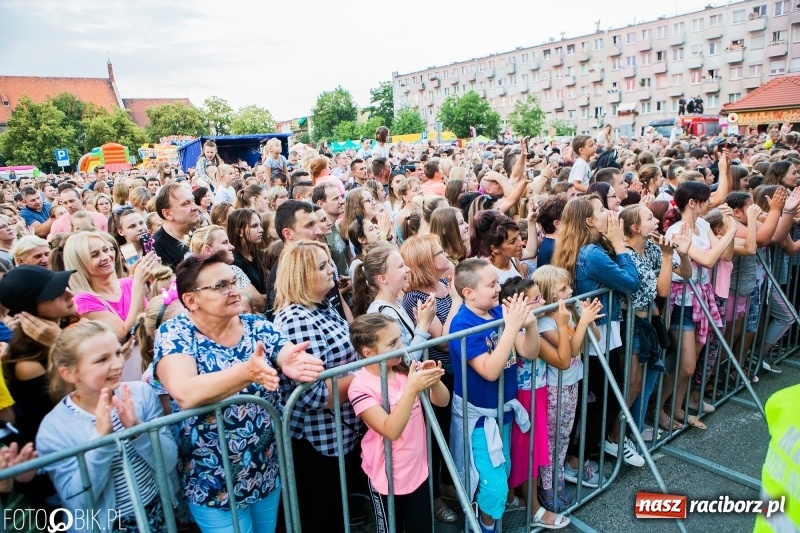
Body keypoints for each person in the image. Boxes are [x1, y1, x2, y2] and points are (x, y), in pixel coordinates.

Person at [151, 251, 321, 531]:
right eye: (220, 286)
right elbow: (185, 392)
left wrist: (293, 360)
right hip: (212, 480)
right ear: (190, 300)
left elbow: (286, 351)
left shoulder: (255, 325)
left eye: (233, 282)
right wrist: (246, 372)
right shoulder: (175, 333)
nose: (233, 291)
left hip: (264, 468)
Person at [37, 321, 178, 533]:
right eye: (102, 359)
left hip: (158, 512)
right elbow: (78, 502)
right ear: (70, 373)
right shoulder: (54, 429)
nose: (117, 364)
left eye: (118, 353)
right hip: (106, 526)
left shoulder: (140, 394)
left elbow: (168, 462)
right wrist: (101, 441)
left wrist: (139, 432)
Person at [447, 259, 556, 532]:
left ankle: (485, 522)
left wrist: (529, 326)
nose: (499, 288)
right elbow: (489, 371)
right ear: (468, 292)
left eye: (497, 282)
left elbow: (528, 352)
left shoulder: (497, 312)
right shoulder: (462, 325)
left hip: (503, 412)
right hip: (479, 420)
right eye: (492, 284)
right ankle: (482, 527)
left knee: (500, 476)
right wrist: (511, 327)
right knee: (493, 486)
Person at [271, 240, 363, 532]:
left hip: (338, 433)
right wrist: (371, 377)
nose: (331, 270)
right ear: (301, 275)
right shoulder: (296, 318)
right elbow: (315, 394)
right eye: (321, 266)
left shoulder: (321, 306)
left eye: (329, 263)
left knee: (335, 513)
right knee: (321, 518)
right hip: (317, 441)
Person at [552, 195, 643, 468]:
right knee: (606, 397)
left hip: (594, 330)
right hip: (598, 332)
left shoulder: (579, 246)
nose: (610, 212)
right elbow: (630, 282)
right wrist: (619, 245)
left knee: (596, 397)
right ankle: (583, 456)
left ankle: (584, 453)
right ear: (589, 220)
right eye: (602, 209)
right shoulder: (591, 253)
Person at [348, 314, 449, 533]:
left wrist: (434, 381)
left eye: (400, 339)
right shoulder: (360, 387)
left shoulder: (404, 369)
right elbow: (390, 430)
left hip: (418, 471)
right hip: (387, 479)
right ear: (369, 353)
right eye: (392, 343)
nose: (401, 346)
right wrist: (412, 388)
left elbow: (442, 401)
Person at [660, 182, 736, 430]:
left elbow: (725, 256)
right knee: (688, 364)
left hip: (702, 296)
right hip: (682, 300)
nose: (710, 203)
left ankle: (677, 408)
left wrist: (729, 234)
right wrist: (732, 230)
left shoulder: (702, 224)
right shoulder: (675, 232)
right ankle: (658, 407)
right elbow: (709, 260)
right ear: (692, 202)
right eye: (706, 199)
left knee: (689, 367)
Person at [530, 267, 601, 513]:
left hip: (571, 383)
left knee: (563, 437)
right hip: (554, 389)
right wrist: (578, 323)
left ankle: (557, 480)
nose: (571, 292)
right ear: (549, 295)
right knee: (551, 440)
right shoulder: (545, 322)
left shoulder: (568, 311)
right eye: (563, 289)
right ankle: (547, 486)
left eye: (569, 286)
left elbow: (597, 338)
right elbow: (568, 351)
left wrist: (584, 316)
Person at [619, 205, 692, 437]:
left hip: (650, 324)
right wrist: (669, 256)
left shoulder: (650, 246)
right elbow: (661, 291)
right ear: (636, 227)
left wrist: (685, 253)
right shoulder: (628, 255)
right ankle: (618, 435)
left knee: (645, 384)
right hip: (632, 326)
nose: (656, 221)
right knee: (632, 386)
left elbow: (686, 273)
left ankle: (636, 429)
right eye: (650, 217)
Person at [63, 231, 158, 343]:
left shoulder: (128, 283)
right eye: (95, 255)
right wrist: (138, 283)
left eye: (106, 249)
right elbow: (125, 334)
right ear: (80, 263)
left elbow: (152, 322)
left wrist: (156, 280)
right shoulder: (83, 301)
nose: (106, 257)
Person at [352, 243, 436, 363]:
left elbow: (407, 342)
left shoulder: (395, 301)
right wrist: (424, 325)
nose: (408, 269)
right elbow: (405, 361)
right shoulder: (384, 313)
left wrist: (419, 322)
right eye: (401, 266)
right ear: (382, 279)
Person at [189, 225, 267, 313]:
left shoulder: (234, 269)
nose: (232, 247)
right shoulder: (193, 280)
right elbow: (260, 303)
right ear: (207, 250)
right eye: (225, 242)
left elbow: (260, 303)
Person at [153, 183, 200, 270]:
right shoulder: (157, 248)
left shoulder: (198, 234)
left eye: (193, 201)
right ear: (167, 214)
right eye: (186, 203)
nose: (195, 207)